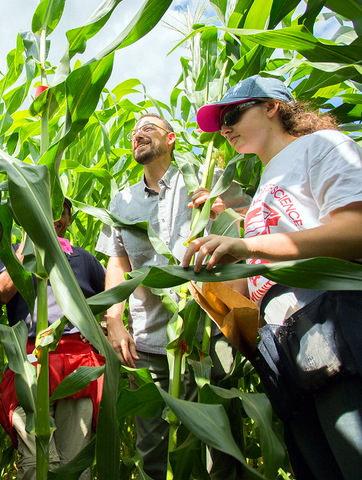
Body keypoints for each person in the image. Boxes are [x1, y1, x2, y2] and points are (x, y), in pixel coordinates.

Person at [183, 74, 362, 480]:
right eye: (220, 121)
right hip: (284, 342)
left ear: (272, 107)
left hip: (331, 321)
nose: (225, 127)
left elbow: (356, 231)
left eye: (232, 114)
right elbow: (257, 279)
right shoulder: (265, 185)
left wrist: (247, 247)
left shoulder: (320, 146)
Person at [95, 113, 250, 480]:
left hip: (208, 337)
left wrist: (222, 212)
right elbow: (117, 263)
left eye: (148, 127)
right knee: (152, 452)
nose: (138, 134)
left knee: (222, 450)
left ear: (172, 139)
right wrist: (114, 320)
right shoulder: (122, 201)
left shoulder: (206, 180)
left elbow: (252, 228)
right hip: (148, 342)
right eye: (134, 132)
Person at [0, 198, 106, 480]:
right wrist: (28, 247)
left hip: (78, 364)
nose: (53, 217)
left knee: (74, 465)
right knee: (34, 463)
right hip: (29, 364)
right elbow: (0, 292)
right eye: (43, 209)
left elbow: (109, 304)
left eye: (60, 211)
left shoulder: (85, 260)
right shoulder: (13, 255)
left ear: (67, 219)